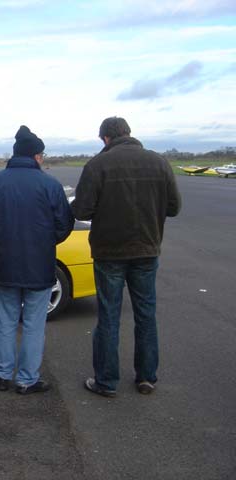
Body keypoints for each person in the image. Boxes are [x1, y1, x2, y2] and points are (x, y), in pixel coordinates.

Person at [71, 117, 181, 397]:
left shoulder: (97, 165)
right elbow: (174, 207)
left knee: (109, 315)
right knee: (146, 314)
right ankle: (146, 377)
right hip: (146, 249)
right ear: (129, 133)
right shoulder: (159, 162)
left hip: (109, 252)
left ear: (105, 138)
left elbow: (81, 210)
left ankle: (106, 381)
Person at [0, 126, 74, 395]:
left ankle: (2, 375)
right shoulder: (50, 185)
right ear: (37, 156)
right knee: (33, 325)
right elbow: (64, 224)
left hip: (3, 264)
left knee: (5, 322)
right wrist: (45, 244)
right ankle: (27, 379)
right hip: (39, 266)